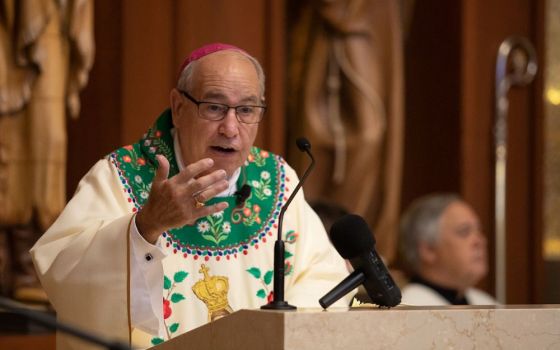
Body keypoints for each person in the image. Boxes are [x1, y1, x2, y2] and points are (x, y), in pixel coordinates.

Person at [30, 43, 351, 349]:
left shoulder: (279, 180)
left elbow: (323, 279)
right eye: (214, 107)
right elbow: (65, 275)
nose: (230, 127)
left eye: (246, 109)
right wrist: (145, 226)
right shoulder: (119, 175)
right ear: (178, 107)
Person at [397, 193, 497, 306]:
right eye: (464, 231)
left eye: (479, 231)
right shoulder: (409, 309)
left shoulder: (485, 302)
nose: (480, 241)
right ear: (429, 250)